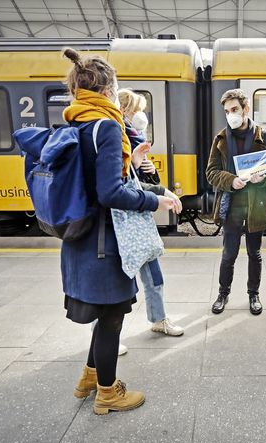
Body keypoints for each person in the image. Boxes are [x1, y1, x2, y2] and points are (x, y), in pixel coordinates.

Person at [58, 48, 178, 415]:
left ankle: (89, 378)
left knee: (104, 315)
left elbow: (100, 183)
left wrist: (142, 177)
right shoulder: (107, 126)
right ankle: (108, 394)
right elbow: (110, 192)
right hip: (105, 244)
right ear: (109, 88)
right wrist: (152, 202)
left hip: (80, 239)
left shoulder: (74, 122)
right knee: (112, 319)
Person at [206, 89, 266, 315]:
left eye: (235, 109)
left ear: (246, 109)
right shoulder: (220, 139)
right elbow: (211, 172)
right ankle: (223, 293)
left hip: (255, 206)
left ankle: (254, 295)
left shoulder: (265, 138)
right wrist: (231, 180)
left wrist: (264, 178)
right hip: (231, 207)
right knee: (228, 254)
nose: (231, 115)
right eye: (227, 111)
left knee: (254, 254)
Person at [117, 88, 184, 337]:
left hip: (139, 219)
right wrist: (161, 192)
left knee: (153, 274)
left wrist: (142, 167)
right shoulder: (114, 137)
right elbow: (120, 186)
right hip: (119, 222)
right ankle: (105, 335)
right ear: (124, 109)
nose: (140, 115)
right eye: (136, 110)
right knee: (118, 282)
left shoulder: (132, 136)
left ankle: (159, 318)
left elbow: (141, 178)